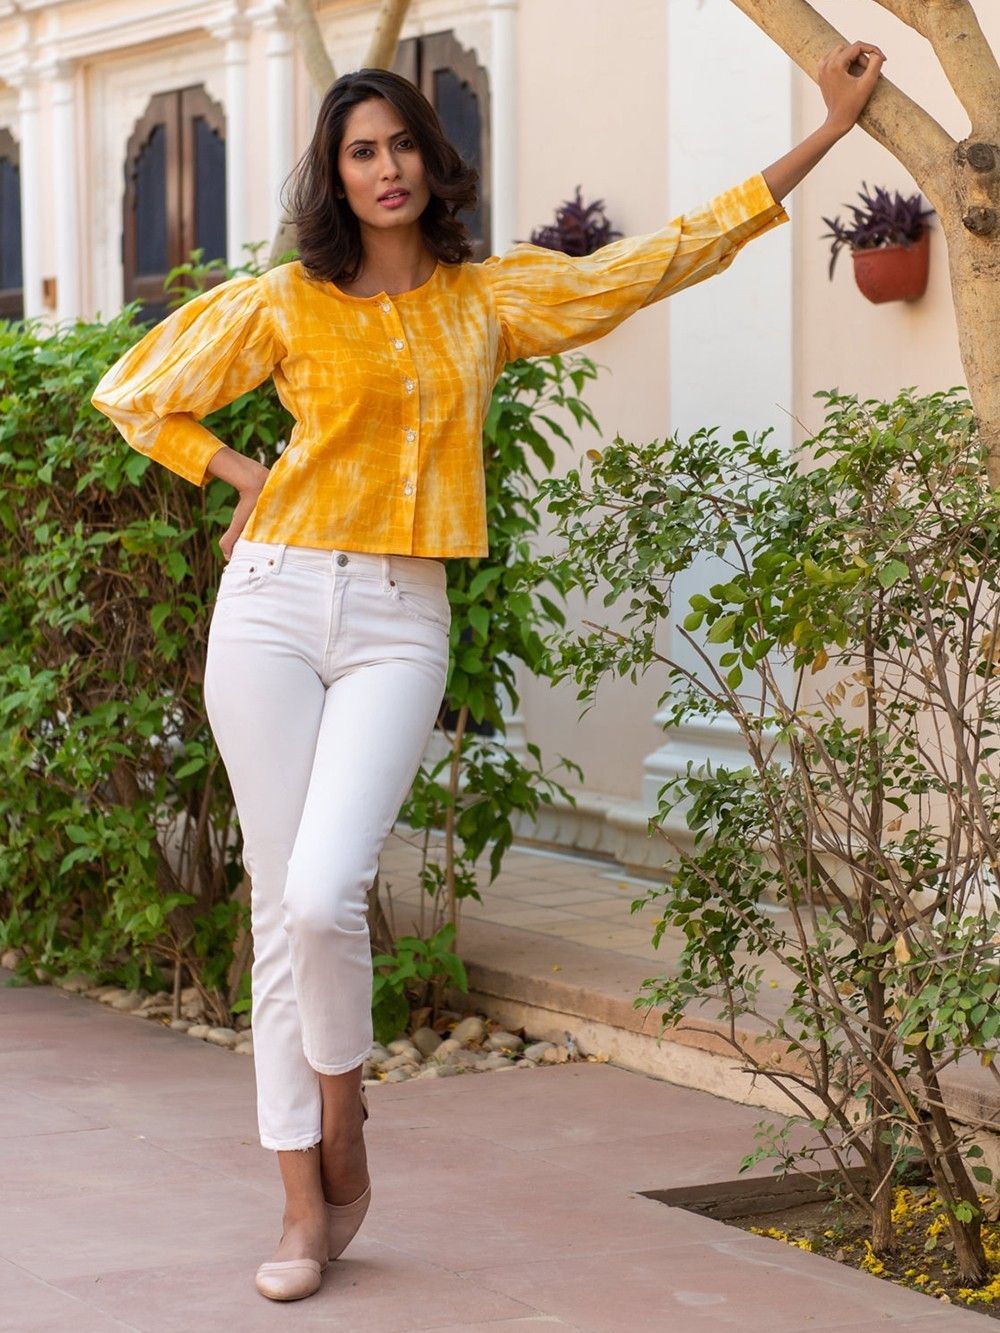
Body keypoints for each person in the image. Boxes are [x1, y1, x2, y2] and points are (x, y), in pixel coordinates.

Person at [90, 40, 886, 1303]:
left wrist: (828, 132)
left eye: (403, 143)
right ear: (334, 176)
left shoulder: (487, 300)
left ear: (431, 158)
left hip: (403, 617)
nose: (387, 167)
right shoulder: (282, 302)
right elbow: (135, 392)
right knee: (277, 910)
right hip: (274, 603)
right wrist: (236, 475)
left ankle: (343, 1121)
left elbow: (658, 258)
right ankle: (307, 1196)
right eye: (361, 152)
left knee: (324, 890)